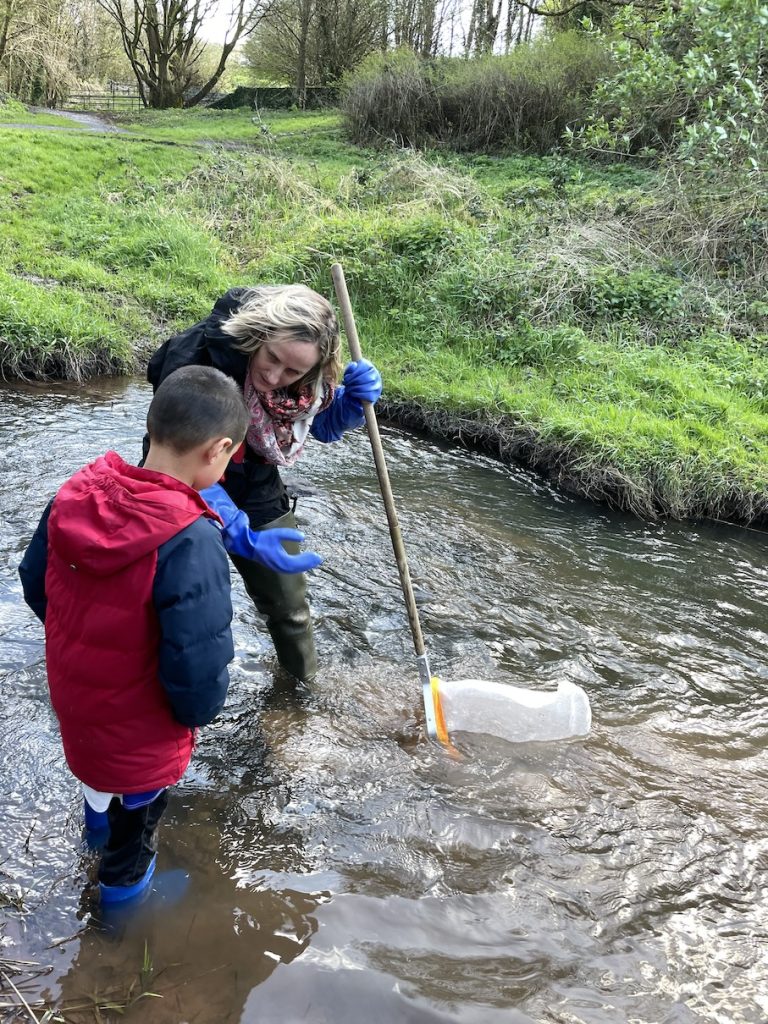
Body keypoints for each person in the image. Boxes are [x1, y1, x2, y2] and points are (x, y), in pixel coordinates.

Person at [18, 366, 253, 905]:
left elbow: (36, 583)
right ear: (219, 450)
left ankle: (92, 839)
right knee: (137, 834)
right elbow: (197, 660)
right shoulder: (191, 538)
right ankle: (119, 924)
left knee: (98, 782)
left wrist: (78, 641)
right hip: (143, 725)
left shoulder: (75, 493)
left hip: (79, 698)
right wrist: (196, 714)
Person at [145, 284, 383, 685]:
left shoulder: (305, 379)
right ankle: (157, 687)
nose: (274, 377)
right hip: (178, 468)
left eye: (292, 371)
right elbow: (182, 462)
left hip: (253, 474)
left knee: (289, 606)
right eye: (271, 358)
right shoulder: (195, 359)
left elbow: (316, 427)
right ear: (259, 335)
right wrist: (234, 528)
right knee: (165, 597)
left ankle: (302, 692)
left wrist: (346, 408)